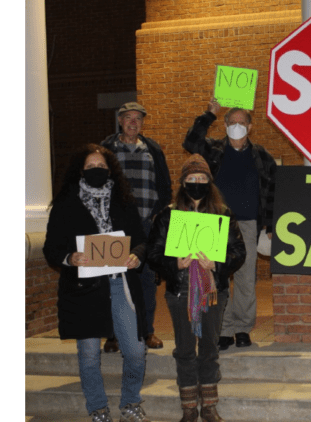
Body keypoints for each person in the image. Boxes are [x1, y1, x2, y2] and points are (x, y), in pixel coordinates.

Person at [43, 144, 151, 422]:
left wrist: (137, 256)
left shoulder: (123, 200)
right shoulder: (65, 204)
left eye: (101, 166)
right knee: (89, 354)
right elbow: (51, 249)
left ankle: (130, 403)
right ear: (80, 170)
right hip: (84, 290)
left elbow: (140, 239)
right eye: (90, 167)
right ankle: (98, 409)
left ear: (110, 168)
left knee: (136, 351)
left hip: (120, 284)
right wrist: (70, 257)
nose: (96, 170)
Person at [148, 154, 246, 422]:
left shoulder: (223, 214)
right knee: (185, 349)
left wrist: (217, 263)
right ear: (183, 183)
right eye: (191, 179)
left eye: (202, 179)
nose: (197, 183)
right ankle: (189, 407)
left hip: (213, 292)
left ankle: (210, 406)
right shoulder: (168, 215)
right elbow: (153, 253)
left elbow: (239, 251)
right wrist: (174, 264)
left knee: (210, 349)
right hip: (180, 293)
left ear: (210, 183)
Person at [183, 98, 277, 351]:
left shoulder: (262, 156)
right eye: (232, 122)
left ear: (250, 126)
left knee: (246, 279)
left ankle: (243, 329)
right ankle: (223, 330)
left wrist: (269, 224)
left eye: (242, 122)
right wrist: (209, 113)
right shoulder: (213, 150)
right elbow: (190, 142)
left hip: (247, 224)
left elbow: (271, 192)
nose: (237, 126)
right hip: (214, 222)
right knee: (216, 277)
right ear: (225, 125)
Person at [101, 102, 172, 351]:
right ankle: (113, 335)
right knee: (113, 281)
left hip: (145, 226)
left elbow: (165, 187)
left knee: (146, 282)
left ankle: (147, 331)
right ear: (120, 121)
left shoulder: (153, 149)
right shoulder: (105, 149)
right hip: (113, 227)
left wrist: (159, 216)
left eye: (138, 119)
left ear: (142, 124)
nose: (133, 122)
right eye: (128, 118)